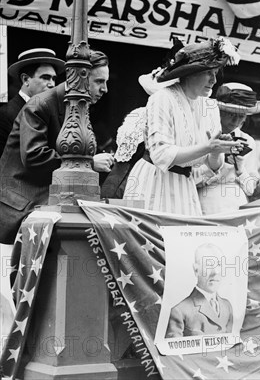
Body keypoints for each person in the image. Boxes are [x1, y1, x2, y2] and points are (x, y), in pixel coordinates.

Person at [0, 50, 113, 244]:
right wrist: (89, 163)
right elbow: (34, 155)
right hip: (20, 208)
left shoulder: (78, 106)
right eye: (99, 82)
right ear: (80, 77)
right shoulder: (40, 105)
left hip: (45, 205)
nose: (105, 89)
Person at [123, 38, 241, 216]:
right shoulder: (163, 98)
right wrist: (207, 147)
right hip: (155, 181)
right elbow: (161, 155)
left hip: (185, 185)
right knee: (152, 238)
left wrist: (216, 151)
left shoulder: (209, 107)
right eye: (208, 73)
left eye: (216, 73)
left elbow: (213, 165)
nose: (214, 80)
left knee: (183, 238)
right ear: (190, 73)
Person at [196, 82, 260, 214]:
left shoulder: (248, 141)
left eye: (241, 116)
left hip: (237, 202)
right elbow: (192, 176)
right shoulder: (203, 136)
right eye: (231, 115)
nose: (235, 121)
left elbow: (251, 185)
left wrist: (241, 170)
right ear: (219, 112)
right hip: (206, 200)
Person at [0, 48, 65, 155]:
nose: (52, 84)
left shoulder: (53, 112)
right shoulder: (5, 114)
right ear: (25, 79)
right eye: (45, 77)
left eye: (53, 79)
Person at [165, 243, 233, 337]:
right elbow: (173, 349)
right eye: (209, 265)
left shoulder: (227, 306)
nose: (216, 272)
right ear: (196, 270)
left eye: (219, 265)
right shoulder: (179, 311)